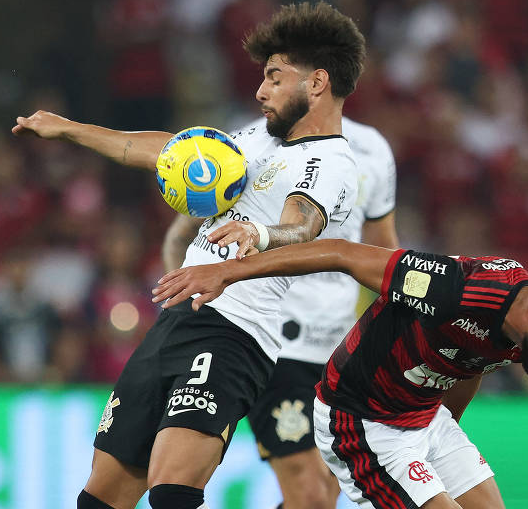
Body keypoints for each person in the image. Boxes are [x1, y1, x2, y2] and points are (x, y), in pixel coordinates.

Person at [12, 2, 366, 509]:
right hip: (174, 323)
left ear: (317, 83)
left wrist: (259, 235)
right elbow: (167, 151)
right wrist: (69, 128)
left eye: (274, 77)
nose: (260, 90)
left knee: (172, 493)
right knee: (98, 500)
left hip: (235, 335)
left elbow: (302, 225)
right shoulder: (254, 140)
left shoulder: (329, 161)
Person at [151, 239, 528, 509]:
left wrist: (442, 434)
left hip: (423, 415)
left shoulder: (527, 329)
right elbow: (339, 252)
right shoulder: (451, 289)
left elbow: (472, 361)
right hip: (361, 419)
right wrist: (228, 272)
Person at [162, 116, 398, 509]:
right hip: (272, 341)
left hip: (340, 351)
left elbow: (383, 250)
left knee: (324, 493)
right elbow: (182, 234)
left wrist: (398, 333)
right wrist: (187, 316)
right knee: (308, 493)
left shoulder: (373, 146)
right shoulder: (251, 143)